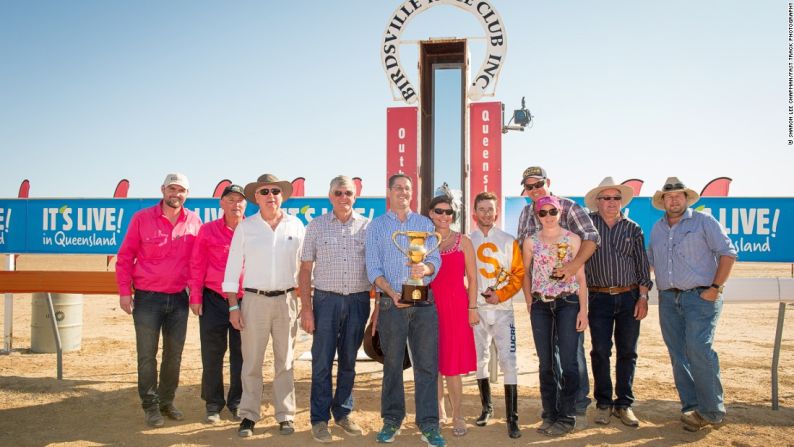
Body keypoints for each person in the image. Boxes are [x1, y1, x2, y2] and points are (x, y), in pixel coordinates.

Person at [647, 177, 736, 432]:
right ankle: (691, 407)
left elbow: (728, 253)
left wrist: (715, 288)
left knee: (699, 349)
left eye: (679, 195)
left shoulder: (704, 221)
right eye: (669, 196)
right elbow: (650, 261)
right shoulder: (657, 228)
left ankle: (712, 410)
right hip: (668, 299)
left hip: (700, 298)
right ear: (662, 201)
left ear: (686, 199)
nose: (674, 200)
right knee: (678, 354)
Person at [365, 174, 446, 447]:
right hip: (391, 303)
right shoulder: (376, 227)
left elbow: (435, 258)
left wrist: (427, 268)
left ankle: (429, 424)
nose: (403, 192)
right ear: (389, 192)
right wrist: (390, 292)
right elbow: (372, 267)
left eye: (408, 188)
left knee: (426, 365)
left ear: (412, 193)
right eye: (398, 187)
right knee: (392, 365)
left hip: (423, 303)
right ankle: (391, 419)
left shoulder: (424, 224)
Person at [116, 172, 202, 427]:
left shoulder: (194, 221)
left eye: (181, 190)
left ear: (187, 194)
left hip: (179, 300)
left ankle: (166, 401)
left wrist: (195, 296)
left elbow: (197, 265)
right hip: (147, 300)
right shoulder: (142, 219)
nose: (176, 194)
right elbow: (125, 257)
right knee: (147, 355)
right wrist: (124, 291)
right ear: (163, 190)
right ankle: (150, 405)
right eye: (171, 189)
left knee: (173, 355)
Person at [516, 166, 600, 423]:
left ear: (548, 182)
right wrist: (530, 298)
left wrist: (572, 267)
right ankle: (553, 408)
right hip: (542, 299)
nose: (534, 190)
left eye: (538, 184)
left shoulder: (570, 208)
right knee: (548, 359)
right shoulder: (526, 215)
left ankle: (575, 403)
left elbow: (591, 238)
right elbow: (523, 255)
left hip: (569, 295)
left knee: (571, 353)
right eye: (529, 186)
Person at [224, 174, 305, 438]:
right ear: (256, 197)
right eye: (264, 192)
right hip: (253, 301)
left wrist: (305, 304)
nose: (271, 195)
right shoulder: (246, 227)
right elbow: (232, 267)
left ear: (282, 196)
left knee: (285, 362)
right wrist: (233, 307)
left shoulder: (296, 225)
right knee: (251, 363)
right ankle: (248, 415)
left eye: (275, 191)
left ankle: (285, 415)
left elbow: (305, 268)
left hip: (287, 301)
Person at [298, 175, 371, 443]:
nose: (344, 198)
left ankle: (342, 413)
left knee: (349, 361)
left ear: (355, 196)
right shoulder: (316, 226)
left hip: (358, 301)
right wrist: (307, 309)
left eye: (348, 193)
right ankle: (319, 419)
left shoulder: (367, 226)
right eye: (338, 193)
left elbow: (374, 268)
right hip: (325, 302)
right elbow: (305, 271)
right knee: (322, 362)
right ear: (330, 196)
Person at [583, 177, 653, 427]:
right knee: (600, 351)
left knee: (628, 352)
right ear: (598, 202)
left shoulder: (633, 228)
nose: (612, 203)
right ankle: (603, 403)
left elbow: (642, 267)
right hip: (598, 297)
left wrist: (643, 297)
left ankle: (624, 404)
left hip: (629, 296)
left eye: (616, 198)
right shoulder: (586, 227)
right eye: (607, 198)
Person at [522, 195, 588, 437]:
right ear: (537, 216)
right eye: (543, 213)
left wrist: (584, 310)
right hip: (541, 305)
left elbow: (581, 278)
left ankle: (567, 414)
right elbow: (525, 273)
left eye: (553, 212)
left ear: (560, 213)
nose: (548, 216)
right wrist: (530, 300)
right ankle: (550, 412)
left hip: (568, 303)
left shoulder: (572, 239)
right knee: (546, 363)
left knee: (570, 361)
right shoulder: (530, 242)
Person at [188, 184, 246, 424]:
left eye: (240, 200)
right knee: (212, 354)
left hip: (245, 300)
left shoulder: (253, 230)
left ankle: (237, 402)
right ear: (221, 204)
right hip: (213, 299)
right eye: (230, 199)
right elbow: (197, 264)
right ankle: (213, 404)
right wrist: (195, 297)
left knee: (241, 355)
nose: (236, 204)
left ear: (246, 205)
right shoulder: (208, 230)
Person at [469, 191, 524, 438]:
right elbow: (464, 277)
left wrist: (500, 295)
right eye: (482, 209)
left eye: (490, 209)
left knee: (509, 361)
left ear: (496, 212)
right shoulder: (467, 241)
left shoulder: (509, 240)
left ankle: (512, 418)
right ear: (474, 213)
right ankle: (486, 408)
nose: (486, 214)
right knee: (479, 360)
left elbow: (517, 275)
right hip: (478, 312)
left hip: (503, 311)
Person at [425, 194, 479, 438]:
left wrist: (472, 307)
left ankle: (458, 414)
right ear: (430, 213)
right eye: (439, 211)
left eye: (449, 213)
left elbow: (473, 278)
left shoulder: (464, 241)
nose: (444, 216)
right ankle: (438, 410)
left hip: (456, 308)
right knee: (432, 362)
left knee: (452, 366)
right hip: (428, 307)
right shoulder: (424, 240)